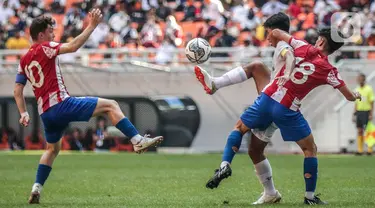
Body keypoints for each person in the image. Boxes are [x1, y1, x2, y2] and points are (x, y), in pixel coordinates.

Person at [197, 25, 361, 205]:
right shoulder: (329, 71)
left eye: (318, 38)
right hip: (287, 109)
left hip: (267, 99)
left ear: (321, 41)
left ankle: (225, 164)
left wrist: (285, 41)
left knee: (240, 128)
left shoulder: (300, 45)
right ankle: (309, 197)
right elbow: (349, 96)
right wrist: (356, 94)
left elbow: (275, 33)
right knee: (309, 149)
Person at [13, 9, 163, 204]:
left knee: (51, 150)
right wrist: (91, 26)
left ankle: (36, 188)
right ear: (41, 35)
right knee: (111, 105)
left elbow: (18, 90)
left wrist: (23, 112)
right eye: (51, 31)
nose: (53, 34)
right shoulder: (45, 47)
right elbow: (73, 46)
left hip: (46, 114)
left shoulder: (24, 60)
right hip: (61, 104)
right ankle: (137, 140)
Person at [196, 12, 293, 204]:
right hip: (283, 103)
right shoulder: (290, 44)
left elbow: (289, 55)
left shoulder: (284, 46)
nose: (266, 38)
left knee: (239, 128)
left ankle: (224, 165)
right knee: (255, 151)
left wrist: (288, 73)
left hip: (274, 99)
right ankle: (271, 193)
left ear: (275, 31)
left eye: (267, 33)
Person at [353, 73, 374, 155]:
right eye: (358, 79)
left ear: (364, 80)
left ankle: (369, 150)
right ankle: (360, 150)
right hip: (359, 112)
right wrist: (354, 113)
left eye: (361, 79)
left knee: (368, 131)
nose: (359, 80)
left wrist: (371, 113)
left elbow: (372, 101)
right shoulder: (357, 89)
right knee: (359, 130)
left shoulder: (369, 89)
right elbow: (356, 102)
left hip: (366, 111)